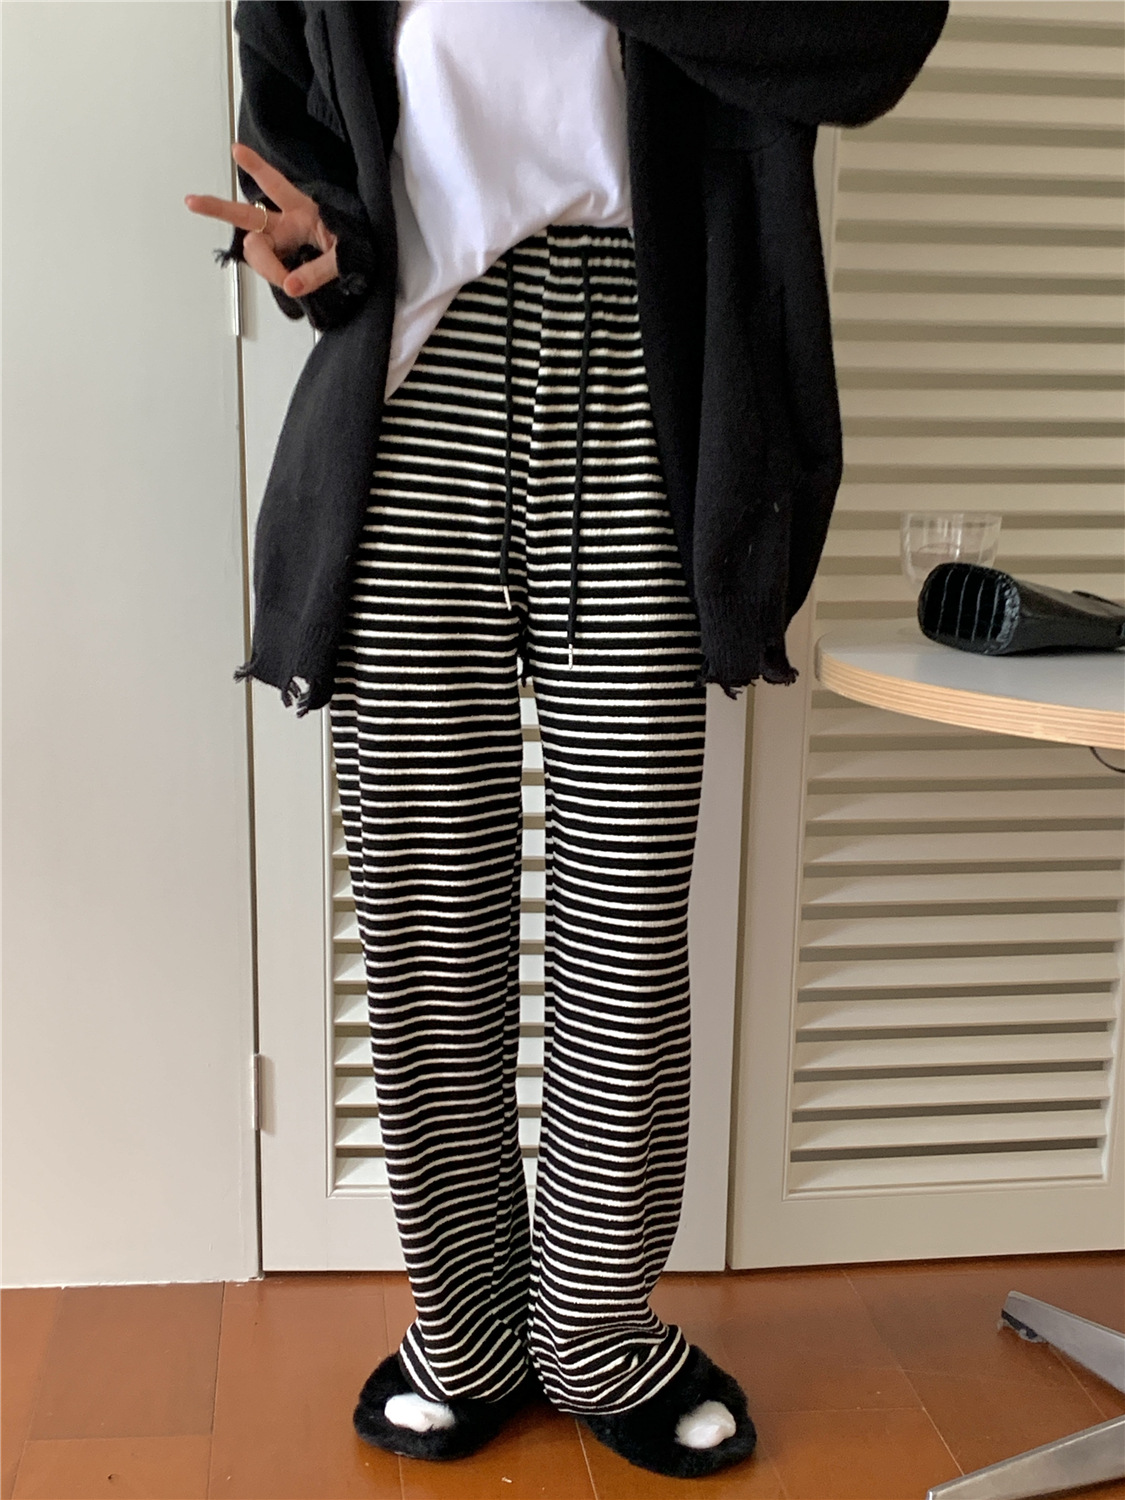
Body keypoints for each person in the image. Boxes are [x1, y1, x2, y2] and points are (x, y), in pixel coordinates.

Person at [186, 0, 947, 1479]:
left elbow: (868, 40)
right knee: (423, 895)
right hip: (424, 375)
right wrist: (313, 242)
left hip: (654, 360)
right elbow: (301, 131)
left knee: (627, 894)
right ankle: (465, 1327)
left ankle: (600, 1329)